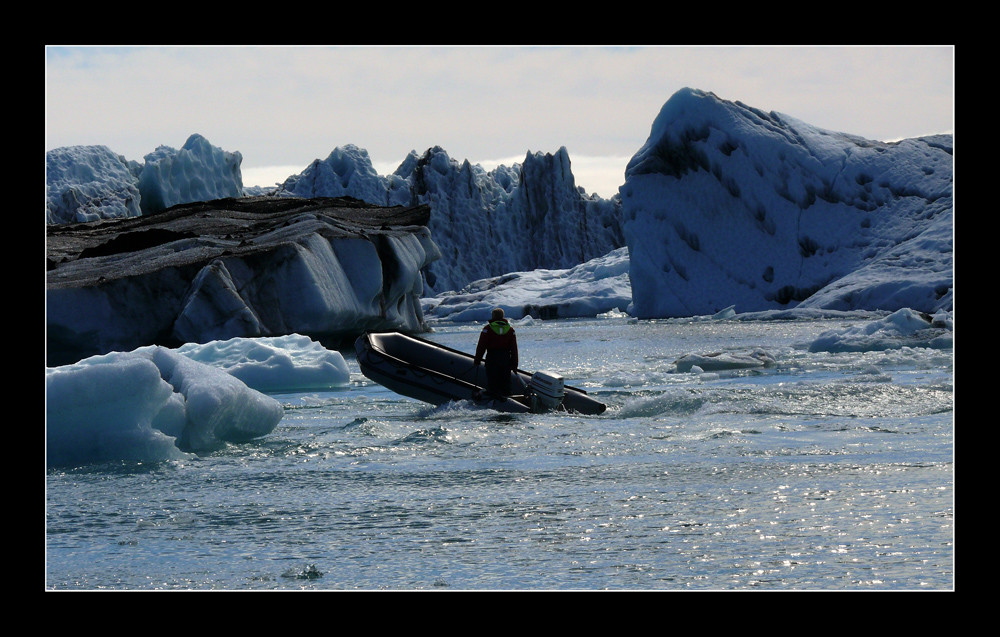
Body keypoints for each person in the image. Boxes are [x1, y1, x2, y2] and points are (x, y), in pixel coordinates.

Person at [474, 308, 519, 397]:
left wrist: (477, 360)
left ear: (493, 316)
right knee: (506, 382)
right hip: (506, 359)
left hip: (492, 358)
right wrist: (514, 364)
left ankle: (494, 399)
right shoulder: (510, 330)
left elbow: (481, 346)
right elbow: (514, 349)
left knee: (493, 382)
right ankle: (507, 400)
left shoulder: (487, 329)